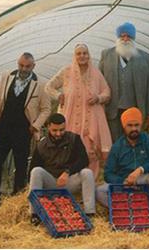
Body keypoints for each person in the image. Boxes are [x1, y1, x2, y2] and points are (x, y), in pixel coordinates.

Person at [0, 52, 52, 210]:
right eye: (21, 65)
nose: (23, 69)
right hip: (3, 127)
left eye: (27, 66)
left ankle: (16, 201)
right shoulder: (6, 77)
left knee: (21, 166)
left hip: (24, 130)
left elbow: (46, 109)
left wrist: (35, 125)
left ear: (33, 66)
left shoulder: (40, 84)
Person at [45, 44, 112, 177]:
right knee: (70, 148)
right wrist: (58, 95)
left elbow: (107, 92)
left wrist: (98, 98)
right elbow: (48, 87)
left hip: (91, 119)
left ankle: (89, 181)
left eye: (85, 53)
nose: (82, 56)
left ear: (89, 55)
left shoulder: (96, 73)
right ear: (74, 56)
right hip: (70, 118)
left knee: (89, 150)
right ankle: (69, 179)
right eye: (79, 53)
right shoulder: (66, 72)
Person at [96, 107, 149, 221]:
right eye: (130, 125)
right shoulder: (117, 147)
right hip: (125, 185)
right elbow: (108, 174)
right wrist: (122, 182)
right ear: (124, 126)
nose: (134, 128)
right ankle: (130, 209)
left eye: (137, 125)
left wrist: (140, 170)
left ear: (141, 125)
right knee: (99, 191)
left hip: (143, 181)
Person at [28, 113, 96, 224]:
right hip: (51, 182)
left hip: (68, 181)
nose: (58, 134)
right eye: (55, 130)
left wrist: (67, 172)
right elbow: (33, 168)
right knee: (36, 171)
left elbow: (84, 160)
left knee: (87, 172)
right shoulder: (41, 145)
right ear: (48, 127)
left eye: (62, 130)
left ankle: (90, 213)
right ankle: (35, 214)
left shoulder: (74, 139)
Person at [99, 22, 149, 141]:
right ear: (118, 37)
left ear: (133, 38)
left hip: (134, 108)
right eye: (122, 36)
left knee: (133, 140)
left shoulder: (145, 57)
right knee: (114, 140)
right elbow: (99, 81)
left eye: (128, 36)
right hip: (113, 109)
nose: (125, 39)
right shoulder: (106, 55)